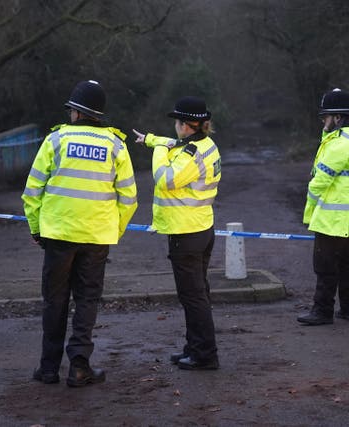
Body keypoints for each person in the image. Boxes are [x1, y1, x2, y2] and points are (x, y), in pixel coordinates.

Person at [22, 80, 138, 387]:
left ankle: (48, 369)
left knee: (54, 301)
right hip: (96, 238)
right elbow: (129, 199)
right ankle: (79, 367)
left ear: (75, 112)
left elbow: (32, 190)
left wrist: (36, 227)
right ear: (98, 115)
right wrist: (114, 230)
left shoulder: (55, 140)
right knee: (87, 299)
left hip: (58, 235)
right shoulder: (116, 145)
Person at [133, 96, 221, 370]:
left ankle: (204, 355)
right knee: (198, 293)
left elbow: (166, 179)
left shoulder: (190, 154)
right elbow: (176, 146)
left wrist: (157, 148)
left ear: (185, 126)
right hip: (200, 228)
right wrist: (151, 139)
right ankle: (194, 348)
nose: (175, 127)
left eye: (177, 122)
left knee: (193, 297)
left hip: (186, 233)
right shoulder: (205, 145)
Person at [297, 88, 349, 326]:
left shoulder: (340, 143)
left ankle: (322, 311)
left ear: (338, 118)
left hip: (334, 216)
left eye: (326, 117)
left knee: (325, 265)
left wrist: (309, 207)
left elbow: (320, 181)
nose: (323, 121)